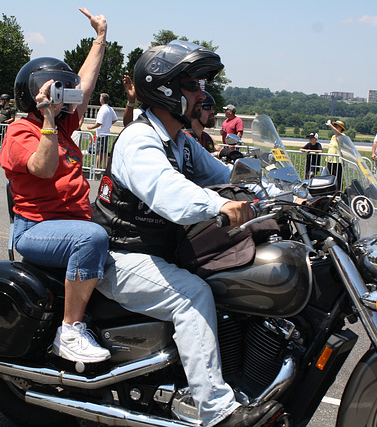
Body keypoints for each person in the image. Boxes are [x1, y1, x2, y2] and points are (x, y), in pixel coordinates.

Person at [92, 40, 270, 427]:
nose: (201, 94)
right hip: (122, 256)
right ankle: (217, 410)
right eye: (192, 85)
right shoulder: (140, 140)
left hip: (161, 254)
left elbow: (227, 176)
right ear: (165, 89)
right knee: (193, 296)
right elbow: (167, 191)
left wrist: (286, 193)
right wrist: (218, 205)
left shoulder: (182, 143)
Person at [0, 8, 111, 364]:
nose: (67, 96)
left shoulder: (61, 127)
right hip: (36, 229)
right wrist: (48, 117)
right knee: (91, 239)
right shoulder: (22, 131)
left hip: (69, 222)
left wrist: (99, 39)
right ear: (36, 93)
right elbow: (43, 169)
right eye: (57, 90)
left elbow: (86, 84)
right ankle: (71, 331)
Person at [87, 92, 117, 168]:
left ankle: (97, 168)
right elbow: (115, 119)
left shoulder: (102, 109)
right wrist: (108, 124)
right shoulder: (110, 108)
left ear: (101, 100)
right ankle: (103, 168)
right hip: (106, 133)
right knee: (104, 152)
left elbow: (99, 123)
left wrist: (91, 127)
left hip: (101, 134)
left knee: (99, 152)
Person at [0, 94, 16, 166]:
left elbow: (13, 118)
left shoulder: (11, 109)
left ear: (6, 100)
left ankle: (5, 153)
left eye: (2, 100)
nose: (1, 101)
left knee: (5, 140)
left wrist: (6, 122)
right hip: (0, 125)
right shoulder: (1, 107)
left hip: (5, 125)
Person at [325, 119, 345, 188]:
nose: (335, 127)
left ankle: (338, 192)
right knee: (329, 178)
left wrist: (330, 125)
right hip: (330, 160)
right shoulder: (333, 136)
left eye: (337, 126)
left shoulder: (342, 136)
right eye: (335, 125)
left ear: (341, 128)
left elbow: (338, 134)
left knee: (337, 179)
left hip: (338, 161)